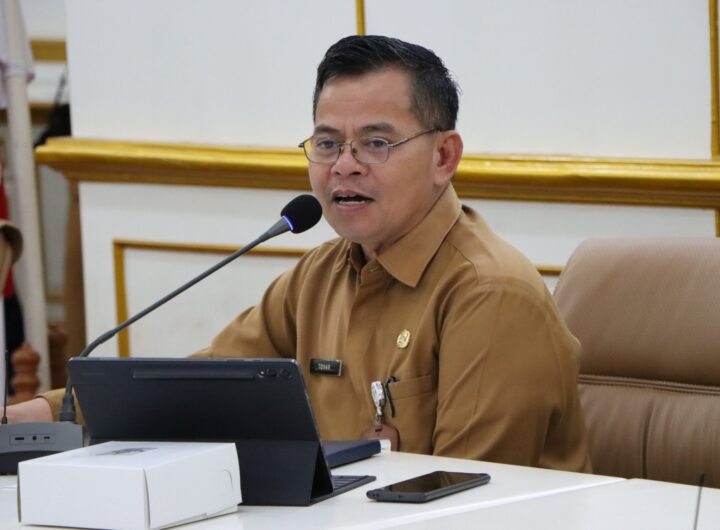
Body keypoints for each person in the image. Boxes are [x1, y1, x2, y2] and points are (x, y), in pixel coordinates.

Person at [9, 35, 591, 472]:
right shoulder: (321, 273)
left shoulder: (489, 294)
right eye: (328, 143)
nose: (345, 166)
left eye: (376, 143)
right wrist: (42, 414)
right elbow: (197, 391)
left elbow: (465, 497)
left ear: (444, 157)